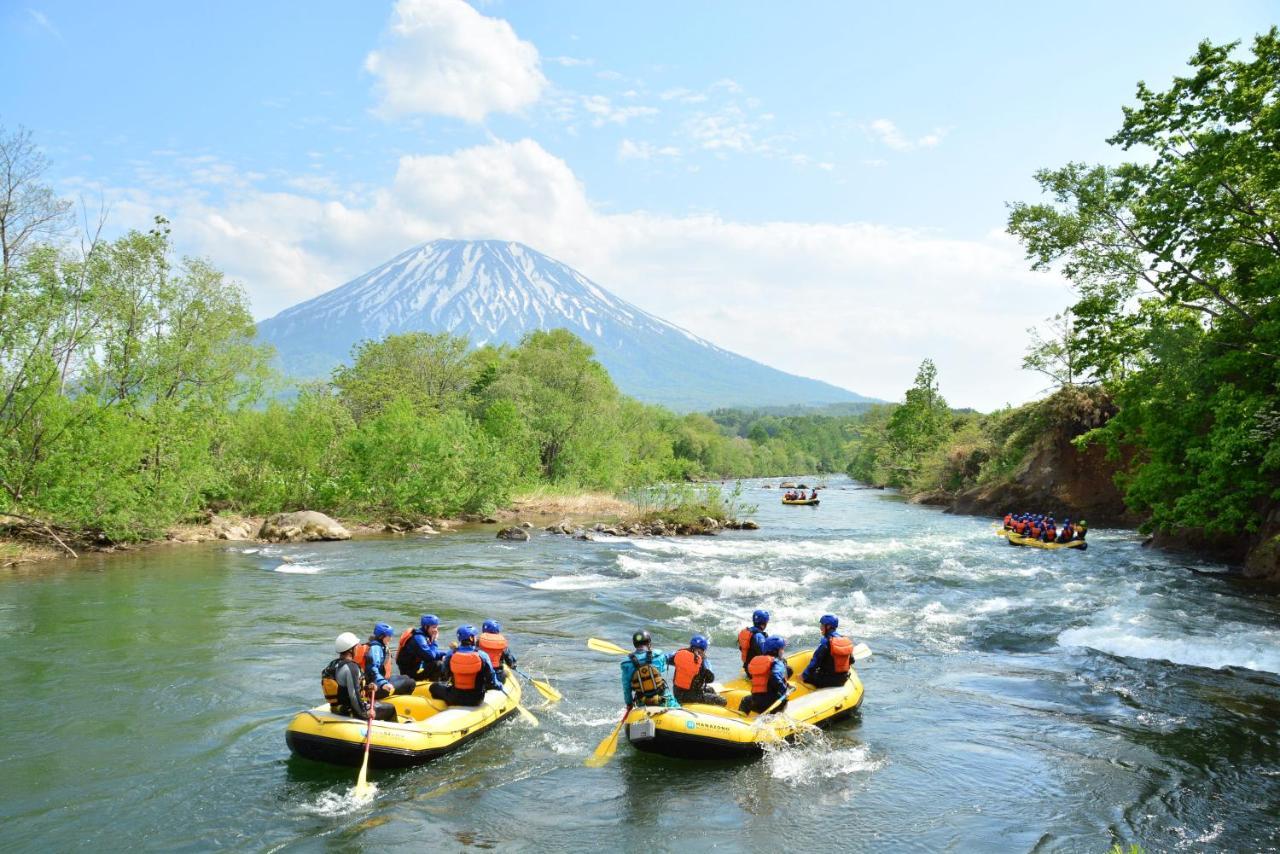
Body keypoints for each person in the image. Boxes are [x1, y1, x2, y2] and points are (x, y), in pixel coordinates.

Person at [322, 632, 396, 721]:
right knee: (390, 708)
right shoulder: (351, 667)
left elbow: (343, 688)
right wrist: (364, 713)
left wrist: (366, 688)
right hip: (349, 711)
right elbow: (353, 695)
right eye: (356, 646)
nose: (358, 648)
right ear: (350, 650)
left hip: (336, 708)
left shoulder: (334, 664)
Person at [429, 625, 500, 706]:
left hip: (455, 697)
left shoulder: (451, 654)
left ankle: (442, 707)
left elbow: (445, 672)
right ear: (471, 638)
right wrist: (499, 686)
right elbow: (491, 679)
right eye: (475, 636)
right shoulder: (482, 655)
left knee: (434, 687)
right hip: (476, 699)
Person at [355, 622, 416, 699]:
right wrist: (383, 684)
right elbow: (373, 670)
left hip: (377, 681)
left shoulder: (379, 646)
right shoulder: (375, 649)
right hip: (373, 687)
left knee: (405, 677)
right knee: (410, 683)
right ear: (381, 637)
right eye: (389, 636)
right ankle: (398, 702)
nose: (391, 639)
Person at [621, 630, 675, 708]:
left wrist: (629, 704)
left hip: (642, 702)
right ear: (649, 642)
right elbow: (664, 664)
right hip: (662, 697)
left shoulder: (626, 663)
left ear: (634, 644)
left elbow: (626, 688)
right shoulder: (658, 655)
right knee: (677, 707)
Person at [738, 635, 790, 715]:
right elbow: (775, 676)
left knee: (745, 700)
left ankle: (741, 720)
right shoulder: (777, 662)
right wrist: (785, 690)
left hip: (756, 702)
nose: (783, 651)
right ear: (776, 651)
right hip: (773, 704)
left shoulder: (756, 661)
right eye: (782, 649)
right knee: (784, 700)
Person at [671, 634, 726, 706]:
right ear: (704, 650)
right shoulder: (703, 663)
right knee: (722, 701)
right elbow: (710, 679)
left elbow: (668, 659)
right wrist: (705, 659)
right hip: (689, 696)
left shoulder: (679, 655)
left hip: (678, 693)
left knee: (710, 690)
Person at [802, 614, 856, 688]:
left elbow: (815, 662)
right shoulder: (845, 640)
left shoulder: (826, 642)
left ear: (828, 627)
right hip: (844, 678)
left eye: (822, 625)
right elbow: (852, 660)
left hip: (828, 680)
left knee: (807, 677)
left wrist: (804, 675)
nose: (820, 628)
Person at [396, 614, 446, 681]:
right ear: (426, 627)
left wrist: (444, 655)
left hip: (418, 667)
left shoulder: (424, 635)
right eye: (433, 627)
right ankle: (435, 686)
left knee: (446, 658)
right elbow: (430, 656)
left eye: (436, 627)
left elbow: (431, 652)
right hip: (409, 674)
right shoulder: (418, 638)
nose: (436, 630)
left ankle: (443, 681)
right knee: (438, 664)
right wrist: (434, 641)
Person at [738, 609, 770, 675]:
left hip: (747, 668)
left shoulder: (746, 632)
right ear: (764, 623)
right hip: (756, 670)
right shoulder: (759, 636)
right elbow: (764, 653)